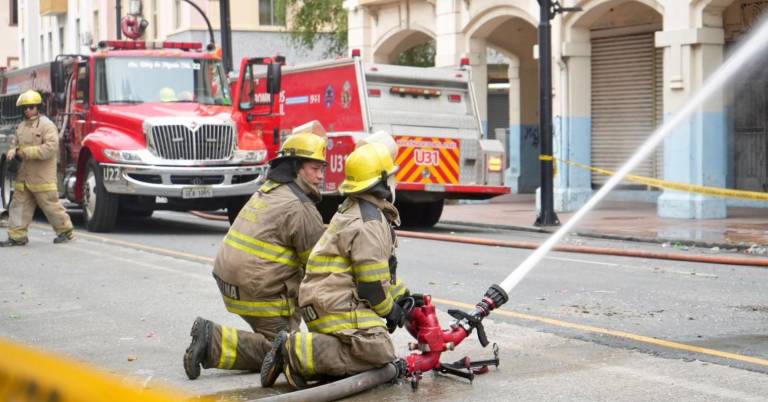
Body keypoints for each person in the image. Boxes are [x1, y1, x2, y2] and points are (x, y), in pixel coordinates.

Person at [260, 136, 410, 389]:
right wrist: (391, 311)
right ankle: (294, 351)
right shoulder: (370, 223)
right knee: (380, 352)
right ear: (382, 181)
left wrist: (403, 294)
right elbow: (372, 286)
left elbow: (377, 270)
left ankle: (308, 357)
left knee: (365, 349)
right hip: (334, 304)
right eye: (391, 177)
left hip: (325, 300)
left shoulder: (356, 208)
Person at [183, 123, 328, 380]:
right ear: (295, 168)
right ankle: (212, 341)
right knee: (288, 350)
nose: (320, 176)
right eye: (315, 169)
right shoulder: (302, 208)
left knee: (281, 344)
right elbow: (318, 272)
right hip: (257, 290)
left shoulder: (269, 190)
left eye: (322, 169)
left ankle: (216, 340)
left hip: (230, 282)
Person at [1, 90, 74, 247]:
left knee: (51, 206)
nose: (28, 110)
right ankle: (17, 236)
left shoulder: (47, 126)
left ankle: (65, 232)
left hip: (42, 177)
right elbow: (15, 144)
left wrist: (27, 152)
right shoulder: (21, 127)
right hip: (24, 177)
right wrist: (12, 150)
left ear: (38, 107)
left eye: (31, 107)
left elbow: (51, 148)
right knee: (18, 206)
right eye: (25, 107)